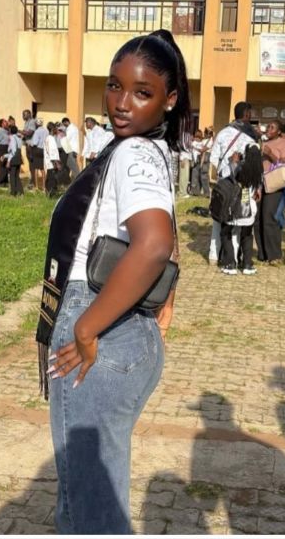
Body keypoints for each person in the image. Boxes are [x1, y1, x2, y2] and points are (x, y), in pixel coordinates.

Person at [36, 29, 187, 535]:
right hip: (121, 325)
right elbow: (165, 241)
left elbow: (153, 244)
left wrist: (84, 328)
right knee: (87, 502)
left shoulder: (133, 154)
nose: (122, 104)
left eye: (141, 93)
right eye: (114, 86)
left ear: (169, 100)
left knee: (89, 515)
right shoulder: (145, 152)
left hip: (100, 324)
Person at [208, 103, 260, 265]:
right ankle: (235, 259)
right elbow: (256, 164)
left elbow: (213, 159)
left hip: (224, 183)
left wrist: (225, 172)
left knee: (219, 217)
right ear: (246, 115)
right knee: (240, 219)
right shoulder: (251, 137)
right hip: (244, 185)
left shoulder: (223, 133)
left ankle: (213, 255)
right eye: (250, 114)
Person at [257, 121, 285, 264]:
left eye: (272, 127)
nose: (269, 129)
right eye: (268, 126)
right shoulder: (263, 142)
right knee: (257, 218)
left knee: (269, 217)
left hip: (275, 185)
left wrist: (270, 154)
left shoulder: (284, 143)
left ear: (279, 132)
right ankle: (262, 253)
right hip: (260, 184)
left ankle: (274, 255)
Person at [220, 145, 263, 275]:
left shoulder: (240, 167)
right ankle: (247, 264)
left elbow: (225, 175)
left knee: (225, 232)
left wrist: (232, 162)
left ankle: (230, 264)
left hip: (235, 205)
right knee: (247, 235)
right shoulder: (259, 169)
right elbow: (257, 190)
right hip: (249, 205)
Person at [4, 124, 24, 196]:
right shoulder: (19, 137)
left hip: (14, 158)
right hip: (18, 157)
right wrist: (4, 156)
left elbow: (13, 151)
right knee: (16, 176)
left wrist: (8, 161)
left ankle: (13, 193)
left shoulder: (12, 138)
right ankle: (21, 192)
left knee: (12, 176)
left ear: (10, 131)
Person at [29, 118, 48, 192]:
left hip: (37, 150)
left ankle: (37, 187)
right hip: (44, 150)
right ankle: (44, 187)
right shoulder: (46, 131)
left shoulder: (37, 132)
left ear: (36, 124)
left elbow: (34, 143)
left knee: (36, 168)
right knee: (43, 168)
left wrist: (30, 143)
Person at [63, 116, 81, 181]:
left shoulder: (70, 129)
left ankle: (78, 179)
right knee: (73, 164)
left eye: (64, 124)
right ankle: (74, 179)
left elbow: (67, 139)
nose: (64, 126)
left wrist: (62, 136)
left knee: (72, 165)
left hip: (71, 149)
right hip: (74, 149)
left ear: (66, 122)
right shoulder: (74, 127)